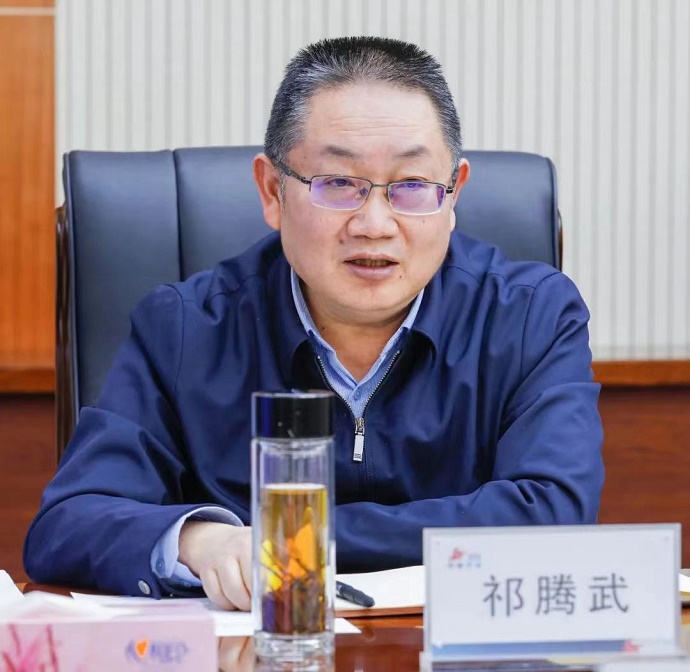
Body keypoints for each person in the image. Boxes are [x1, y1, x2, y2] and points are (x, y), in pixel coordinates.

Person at [24, 36, 604, 611]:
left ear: (453, 196)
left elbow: (553, 511)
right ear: (272, 191)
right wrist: (201, 541)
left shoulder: (530, 316)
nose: (375, 224)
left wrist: (286, 541)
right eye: (338, 184)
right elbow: (68, 525)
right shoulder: (183, 329)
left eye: (412, 186)